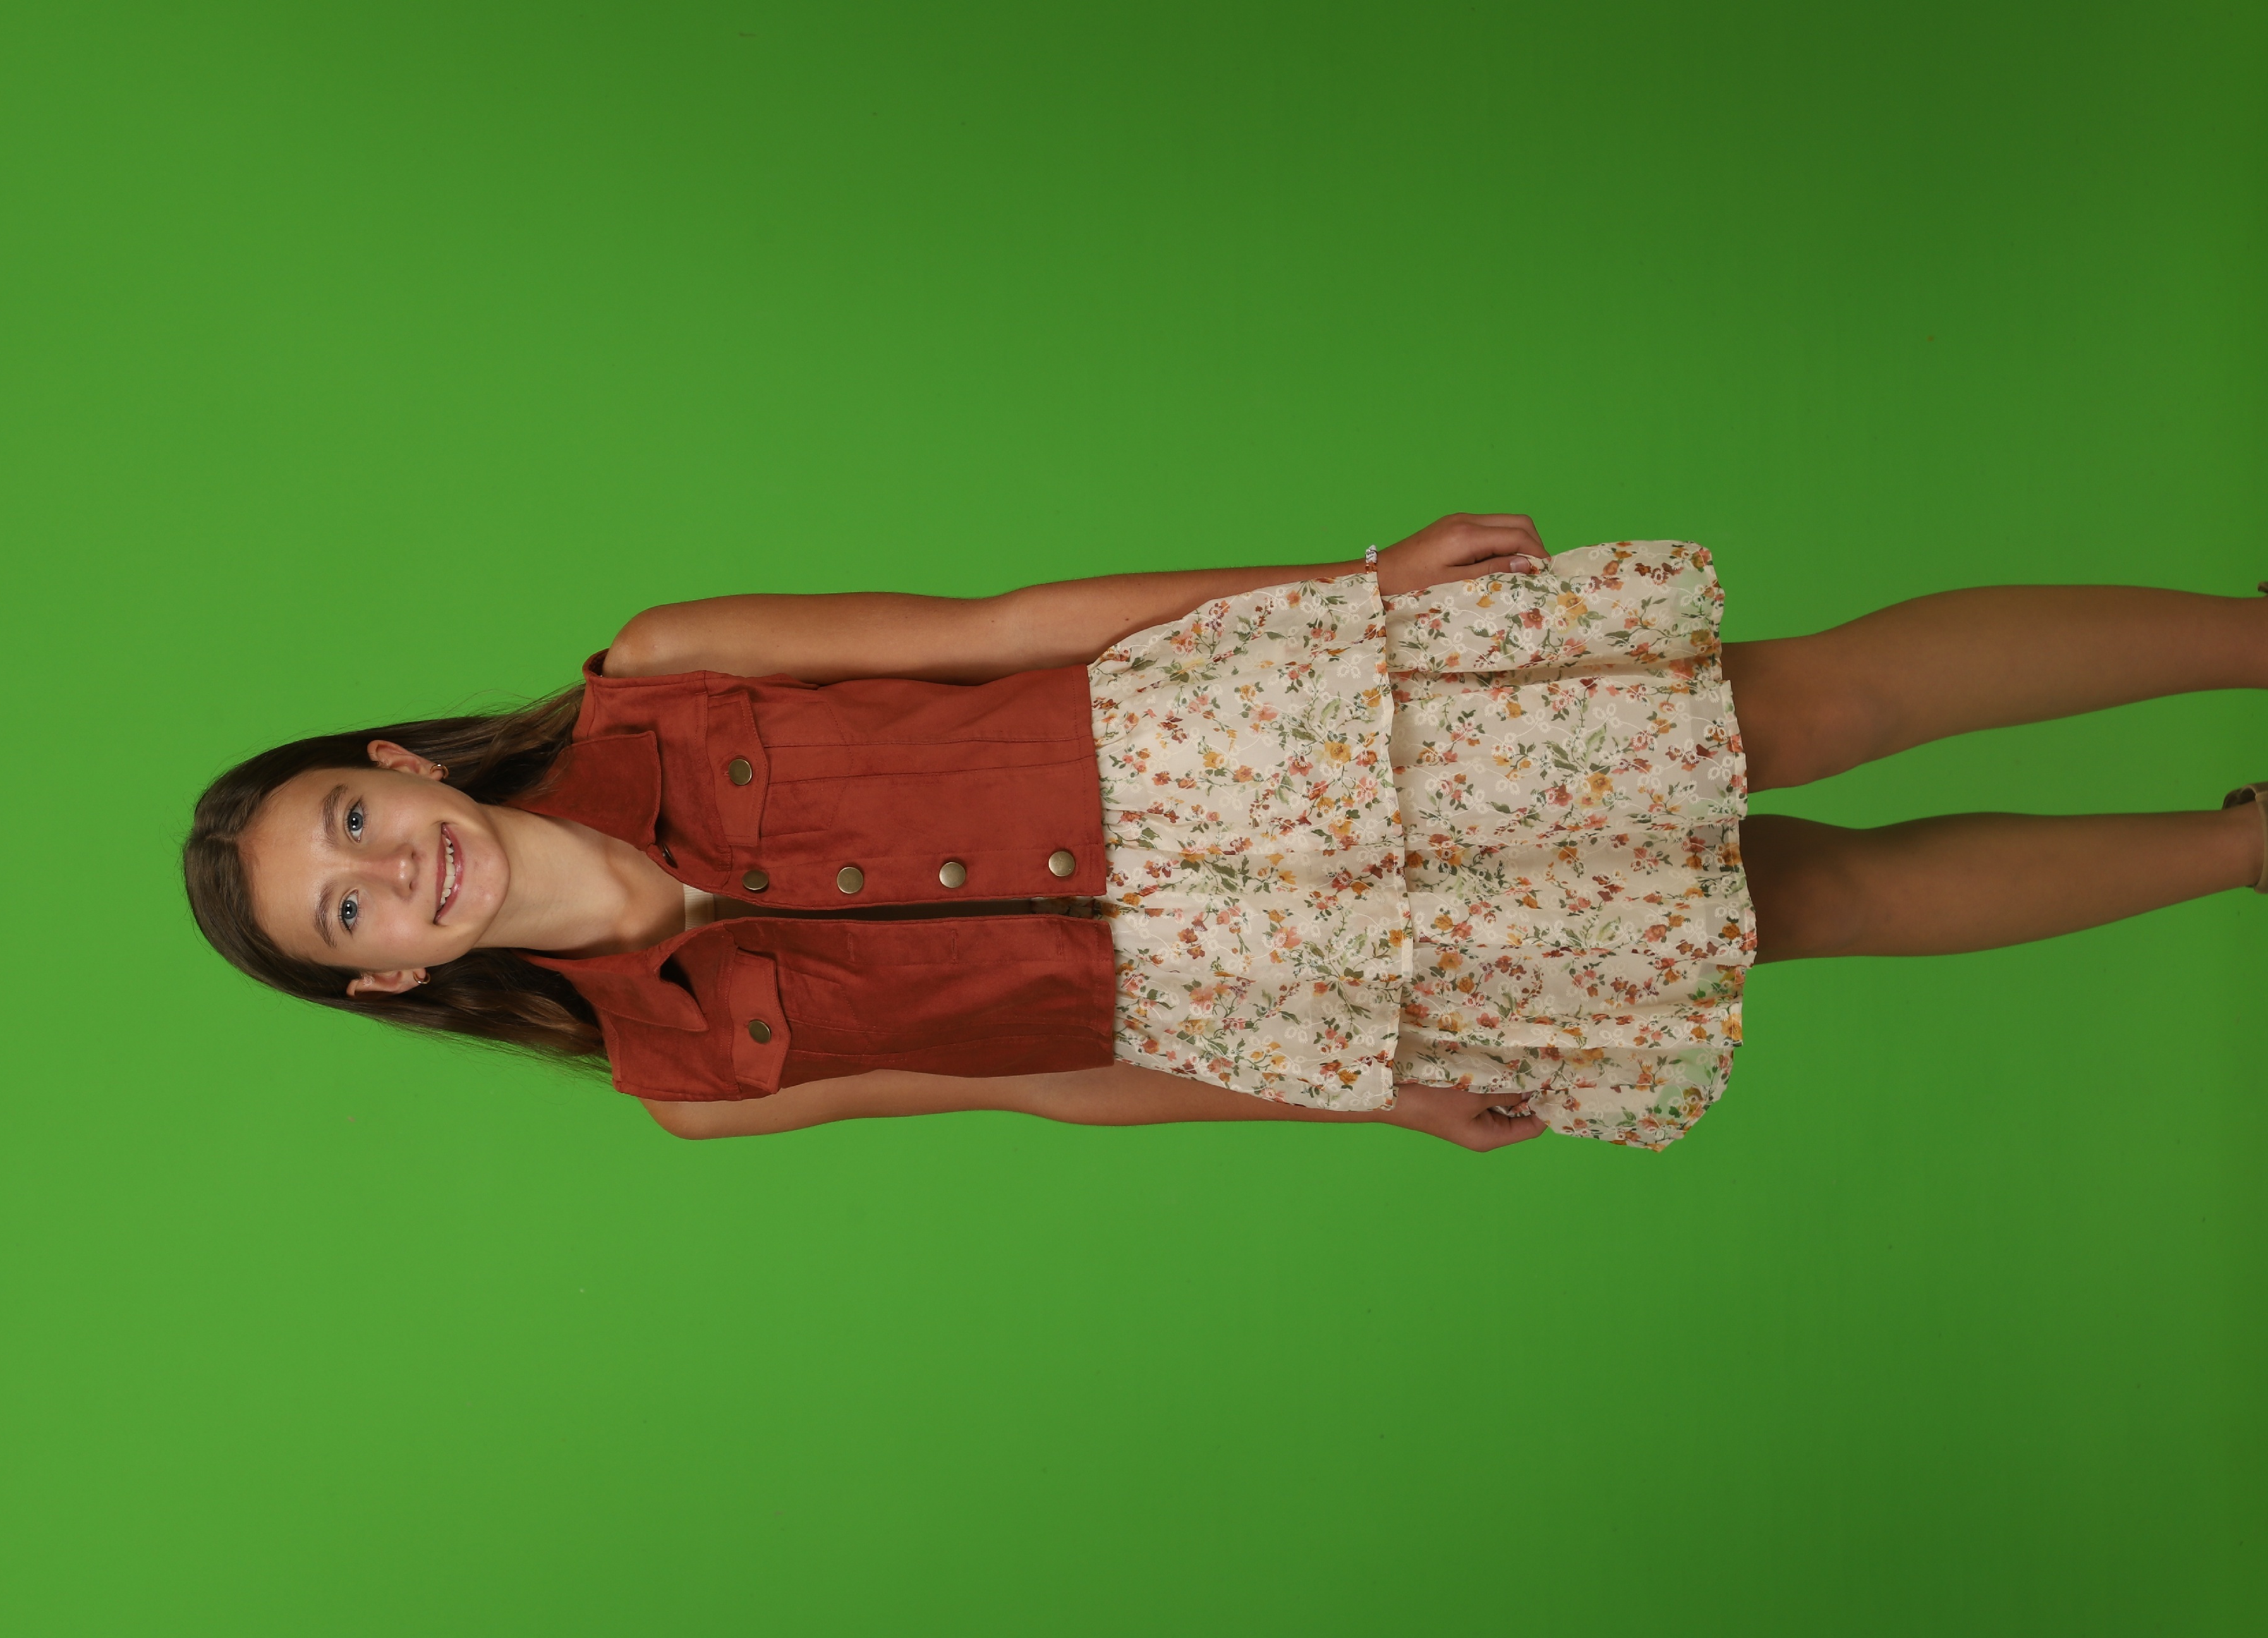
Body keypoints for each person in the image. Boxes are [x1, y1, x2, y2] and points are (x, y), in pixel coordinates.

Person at [183, 514, 2268, 1152]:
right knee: (1801, 910)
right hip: (1276, 985)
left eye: (355, 817)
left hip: (1269, 738)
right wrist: (1380, 1098)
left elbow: (1003, 628)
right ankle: (2246, 850)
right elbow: (1054, 1084)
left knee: (1793, 711)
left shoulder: (665, 662)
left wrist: (1352, 589)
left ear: (406, 763)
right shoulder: (687, 1085)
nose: (390, 868)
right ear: (390, 976)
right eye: (347, 910)